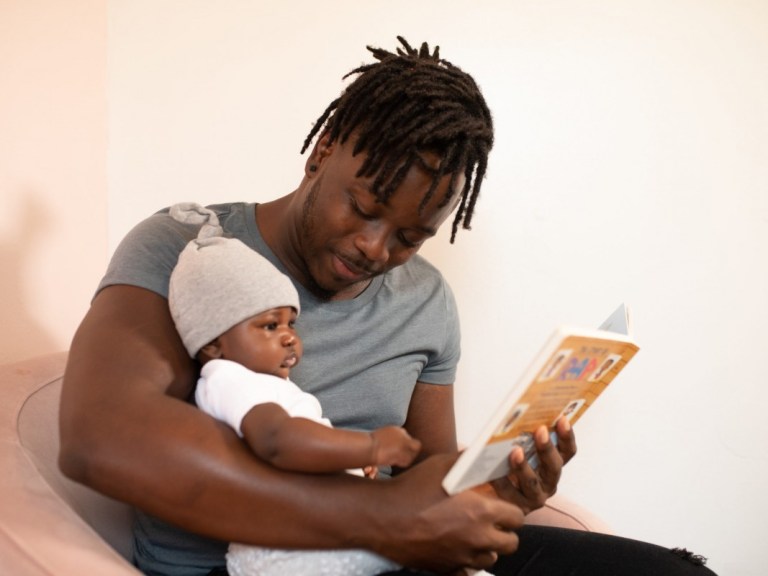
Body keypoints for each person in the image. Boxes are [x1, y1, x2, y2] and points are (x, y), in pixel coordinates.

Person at [60, 37, 717, 575]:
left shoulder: (426, 300)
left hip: (382, 555)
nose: (375, 248)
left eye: (410, 236)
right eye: (364, 207)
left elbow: (429, 473)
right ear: (322, 152)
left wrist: (506, 487)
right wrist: (381, 518)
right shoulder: (190, 248)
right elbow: (100, 436)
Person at [167, 201, 421, 576]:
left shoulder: (265, 384)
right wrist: (368, 446)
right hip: (279, 551)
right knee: (423, 541)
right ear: (213, 344)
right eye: (271, 326)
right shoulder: (227, 379)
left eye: (292, 324)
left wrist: (349, 462)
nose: (289, 337)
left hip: (299, 539)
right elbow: (277, 440)